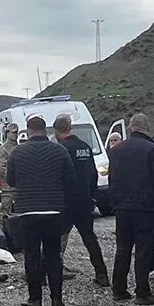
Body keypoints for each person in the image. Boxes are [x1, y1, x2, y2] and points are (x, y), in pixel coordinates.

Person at [7, 116, 77, 306]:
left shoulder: (17, 152)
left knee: (31, 255)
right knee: (53, 256)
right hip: (54, 211)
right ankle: (57, 301)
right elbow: (71, 180)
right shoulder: (60, 151)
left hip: (27, 211)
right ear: (45, 130)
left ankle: (35, 300)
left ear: (28, 130)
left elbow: (11, 180)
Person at [107, 113, 154, 305]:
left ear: (130, 128)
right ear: (147, 127)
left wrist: (115, 203)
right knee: (143, 250)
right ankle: (142, 291)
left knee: (123, 248)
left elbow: (112, 179)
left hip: (122, 208)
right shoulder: (152, 149)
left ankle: (119, 289)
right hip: (145, 208)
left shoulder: (117, 150)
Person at [54, 114, 109, 286]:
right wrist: (92, 196)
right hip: (84, 200)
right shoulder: (85, 147)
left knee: (55, 237)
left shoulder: (60, 148)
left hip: (66, 201)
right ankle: (102, 274)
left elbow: (58, 177)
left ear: (56, 130)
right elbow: (93, 174)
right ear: (70, 127)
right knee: (89, 238)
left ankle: (44, 273)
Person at [0, 123, 20, 248]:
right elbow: (1, 169)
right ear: (7, 133)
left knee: (17, 213)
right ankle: (1, 237)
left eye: (16, 132)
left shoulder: (19, 148)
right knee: (5, 212)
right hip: (7, 187)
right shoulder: (2, 150)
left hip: (18, 187)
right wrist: (13, 177)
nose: (15, 135)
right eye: (13, 132)